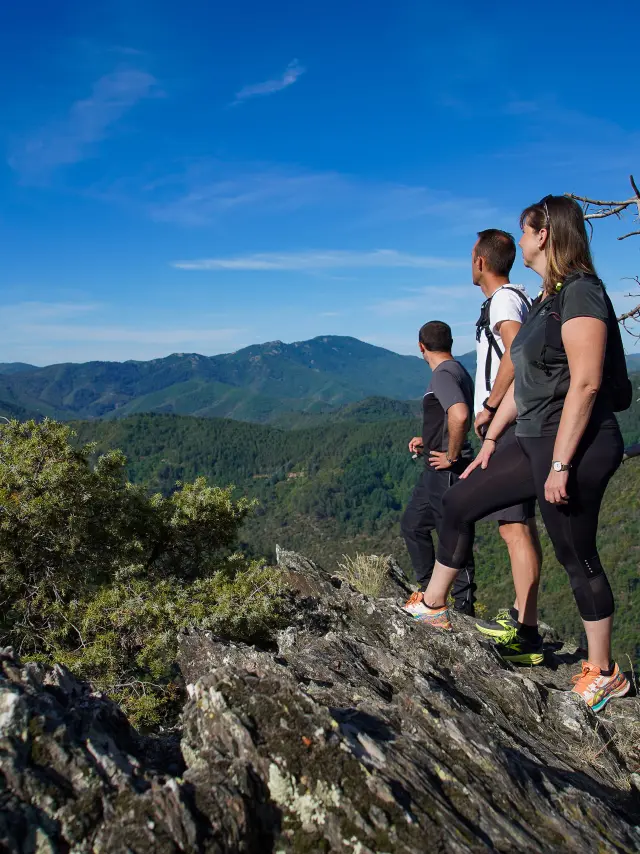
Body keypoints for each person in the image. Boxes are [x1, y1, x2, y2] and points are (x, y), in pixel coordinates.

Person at [418, 195, 631, 712]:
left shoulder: (581, 293)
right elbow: (528, 378)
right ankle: (432, 606)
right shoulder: (546, 298)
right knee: (461, 500)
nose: (521, 239)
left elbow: (585, 383)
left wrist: (560, 464)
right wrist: (490, 439)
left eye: (526, 230)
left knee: (575, 555)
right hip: (531, 438)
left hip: (575, 446)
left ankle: (604, 672)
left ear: (547, 235)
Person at [470, 229, 543, 643]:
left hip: (512, 424)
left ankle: (525, 629)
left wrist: (492, 406)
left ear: (481, 262)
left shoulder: (503, 300)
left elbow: (517, 352)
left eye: (471, 257)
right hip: (515, 423)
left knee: (514, 527)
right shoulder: (511, 297)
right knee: (515, 526)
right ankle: (522, 615)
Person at [401, 320, 476, 624]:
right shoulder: (456, 370)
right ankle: (431, 591)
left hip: (446, 469)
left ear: (421, 347)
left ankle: (460, 606)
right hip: (434, 466)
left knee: (453, 534)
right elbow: (449, 417)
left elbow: (459, 414)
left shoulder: (443, 374)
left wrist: (451, 454)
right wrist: (429, 440)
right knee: (413, 524)